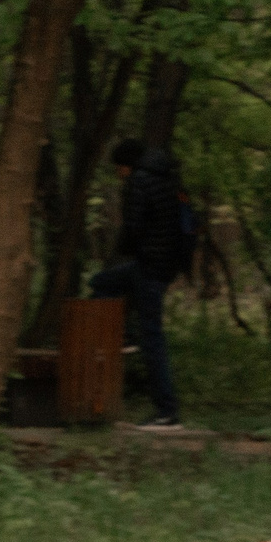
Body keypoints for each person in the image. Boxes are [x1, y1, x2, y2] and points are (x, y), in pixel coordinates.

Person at [89, 136, 191, 428]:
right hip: (164, 264)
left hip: (148, 264)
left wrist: (126, 247)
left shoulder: (138, 182)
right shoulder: (169, 179)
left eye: (119, 168)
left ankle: (167, 412)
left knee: (152, 338)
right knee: (103, 283)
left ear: (126, 165)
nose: (119, 174)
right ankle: (125, 335)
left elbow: (133, 226)